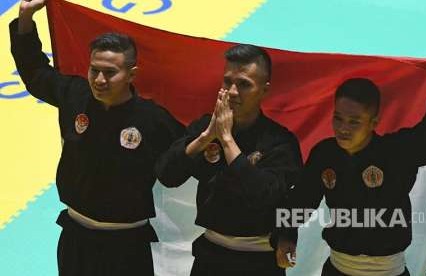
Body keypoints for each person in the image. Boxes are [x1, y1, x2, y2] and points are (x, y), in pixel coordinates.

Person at [9, 0, 184, 275]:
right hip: (75, 238)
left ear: (131, 74)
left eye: (110, 72)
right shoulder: (75, 95)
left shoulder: (154, 120)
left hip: (127, 244)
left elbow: (184, 160)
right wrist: (25, 18)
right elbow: (35, 71)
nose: (99, 80)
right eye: (95, 70)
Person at [273, 61, 426, 275]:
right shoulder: (325, 155)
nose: (343, 129)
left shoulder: (396, 151)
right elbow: (301, 199)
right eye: (338, 118)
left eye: (354, 122)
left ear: (374, 122)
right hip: (338, 270)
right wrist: (285, 235)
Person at [155, 44, 303, 276]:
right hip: (210, 256)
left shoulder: (280, 142)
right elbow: (167, 175)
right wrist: (204, 138)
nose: (233, 92)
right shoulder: (206, 128)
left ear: (264, 90)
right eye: (227, 82)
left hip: (260, 260)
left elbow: (265, 195)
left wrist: (227, 141)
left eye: (244, 84)